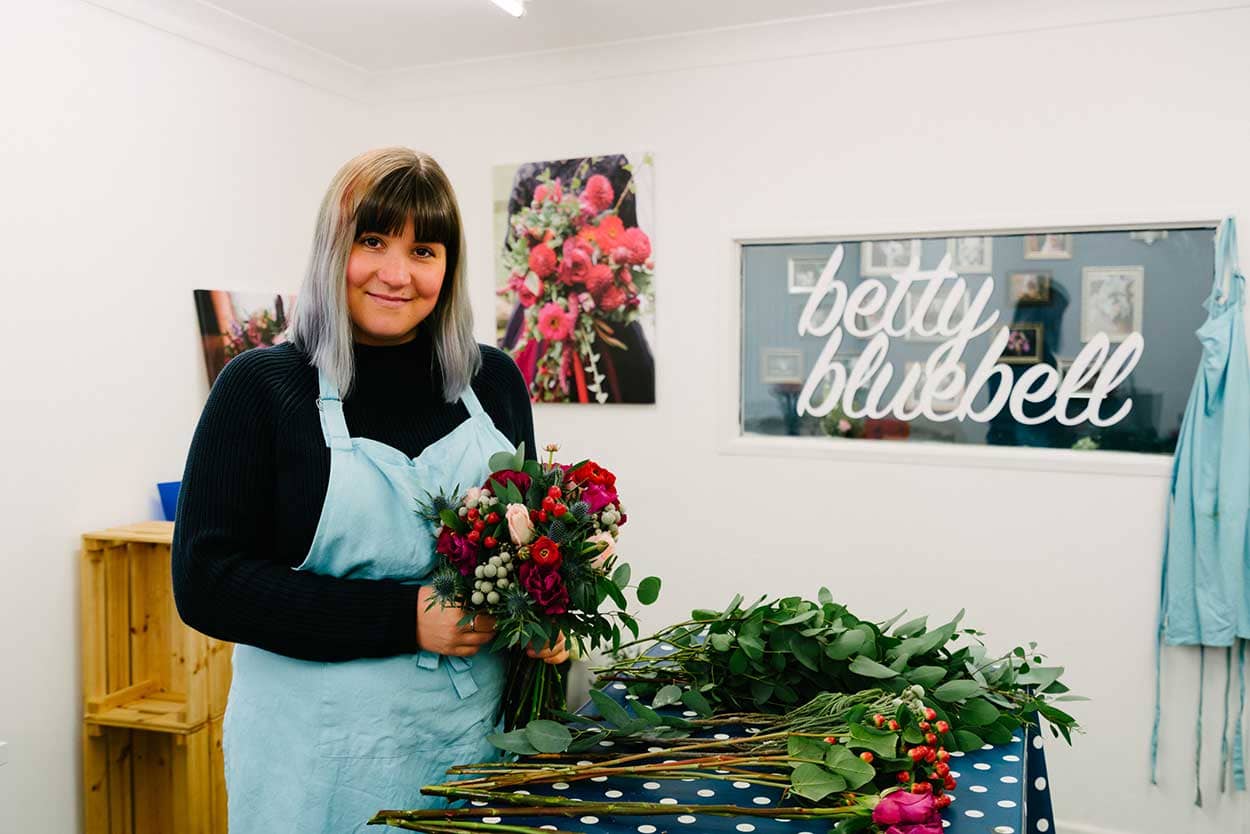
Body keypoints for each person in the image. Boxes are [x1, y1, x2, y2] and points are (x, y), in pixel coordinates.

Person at [171, 148, 568, 834]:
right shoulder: (262, 388)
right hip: (316, 759)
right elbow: (206, 582)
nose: (396, 273)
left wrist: (544, 615)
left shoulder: (494, 381)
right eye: (373, 241)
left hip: (473, 741)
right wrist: (405, 617)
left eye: (424, 250)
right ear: (333, 249)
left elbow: (527, 537)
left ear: (449, 266)